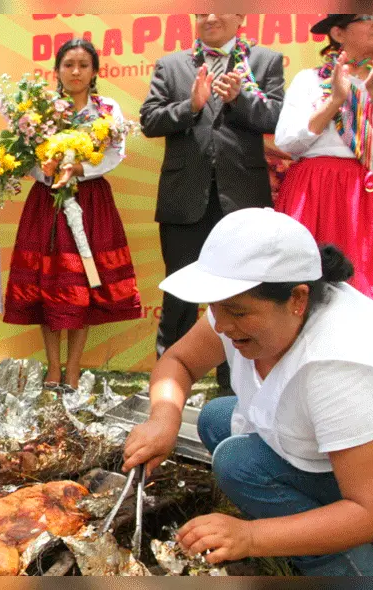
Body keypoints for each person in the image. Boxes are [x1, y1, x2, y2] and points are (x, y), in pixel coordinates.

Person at [123, 208, 373, 577]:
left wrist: (251, 536)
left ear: (297, 298)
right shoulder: (252, 311)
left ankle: (372, 575)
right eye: (214, 308)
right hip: (357, 458)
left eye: (237, 312)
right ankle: (314, 523)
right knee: (217, 418)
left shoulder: (341, 366)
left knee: (240, 464)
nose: (222, 324)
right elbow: (180, 361)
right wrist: (163, 418)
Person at [140, 13, 284, 391]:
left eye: (221, 8)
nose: (211, 16)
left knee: (243, 300)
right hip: (184, 201)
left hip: (243, 203)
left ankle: (234, 390)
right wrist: (189, 106)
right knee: (179, 301)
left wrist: (240, 100)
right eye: (202, 10)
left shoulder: (265, 61)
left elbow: (277, 117)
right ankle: (169, 387)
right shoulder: (171, 65)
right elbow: (150, 120)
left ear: (239, 15)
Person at [3, 39, 142, 390]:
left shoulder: (107, 108)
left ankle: (75, 367)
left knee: (84, 284)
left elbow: (114, 154)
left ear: (95, 71)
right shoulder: (40, 110)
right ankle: (53, 366)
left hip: (91, 201)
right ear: (57, 70)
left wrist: (77, 168)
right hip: (47, 201)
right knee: (47, 284)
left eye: (83, 64)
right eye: (68, 65)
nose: (75, 71)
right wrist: (46, 169)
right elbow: (27, 155)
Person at [275, 14, 373, 331]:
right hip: (316, 190)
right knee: (309, 284)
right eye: (367, 18)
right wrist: (335, 100)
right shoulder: (310, 79)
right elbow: (289, 141)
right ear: (338, 32)